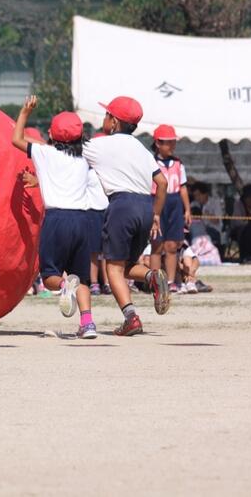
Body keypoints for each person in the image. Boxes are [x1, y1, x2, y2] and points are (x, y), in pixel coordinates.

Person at [83, 96, 170, 337]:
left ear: (114, 121)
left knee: (112, 268)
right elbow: (161, 183)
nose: (104, 119)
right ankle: (153, 275)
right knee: (127, 265)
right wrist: (156, 215)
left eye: (107, 115)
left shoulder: (100, 145)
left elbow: (69, 150)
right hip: (145, 205)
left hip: (121, 205)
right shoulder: (141, 149)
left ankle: (131, 318)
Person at [12, 96, 97, 339]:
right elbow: (68, 181)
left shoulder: (44, 153)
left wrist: (25, 112)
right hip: (82, 220)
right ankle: (88, 324)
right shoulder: (84, 159)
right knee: (80, 276)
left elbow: (16, 139)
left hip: (57, 219)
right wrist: (40, 181)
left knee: (50, 274)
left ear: (52, 134)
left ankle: (62, 287)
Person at [149, 124, 191, 293]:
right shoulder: (151, 163)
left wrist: (187, 209)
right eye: (168, 142)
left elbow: (183, 187)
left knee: (172, 245)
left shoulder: (178, 163)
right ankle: (154, 282)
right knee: (157, 245)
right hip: (156, 201)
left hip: (174, 203)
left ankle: (172, 281)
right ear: (158, 143)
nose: (172, 146)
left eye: (174, 142)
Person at [86, 134, 110, 296]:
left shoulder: (111, 169)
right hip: (92, 211)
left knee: (109, 251)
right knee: (94, 251)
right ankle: (94, 282)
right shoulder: (86, 170)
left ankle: (108, 282)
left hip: (110, 211)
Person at [190, 181, 223, 247]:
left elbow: (217, 221)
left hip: (213, 231)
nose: (197, 198)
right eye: (195, 196)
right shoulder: (193, 204)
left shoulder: (215, 203)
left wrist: (206, 214)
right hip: (196, 230)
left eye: (199, 195)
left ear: (205, 193)